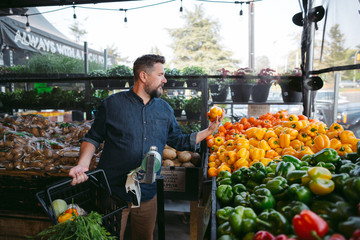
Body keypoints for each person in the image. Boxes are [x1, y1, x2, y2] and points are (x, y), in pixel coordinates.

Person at [69, 54, 224, 240]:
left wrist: (209, 130)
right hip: (113, 192)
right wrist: (83, 164)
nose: (165, 80)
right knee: (109, 237)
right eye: (160, 75)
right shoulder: (112, 105)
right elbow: (92, 138)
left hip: (147, 194)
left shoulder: (165, 109)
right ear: (143, 76)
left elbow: (178, 141)